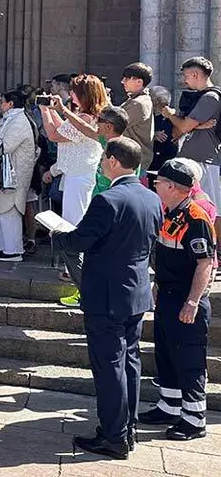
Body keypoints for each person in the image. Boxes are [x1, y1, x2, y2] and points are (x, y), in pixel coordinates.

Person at [53, 137, 162, 460]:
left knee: (110, 365)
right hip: (135, 291)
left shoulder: (107, 200)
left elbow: (81, 241)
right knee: (130, 362)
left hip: (107, 295)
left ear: (114, 161)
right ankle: (127, 429)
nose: (102, 164)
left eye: (104, 159)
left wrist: (59, 236)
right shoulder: (152, 198)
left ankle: (114, 436)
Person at [139, 159, 215, 441]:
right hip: (168, 295)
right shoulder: (170, 213)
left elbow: (205, 264)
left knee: (188, 360)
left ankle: (194, 419)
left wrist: (192, 302)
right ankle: (169, 406)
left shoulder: (196, 218)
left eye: (158, 182)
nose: (154, 185)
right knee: (167, 354)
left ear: (172, 187)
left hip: (186, 300)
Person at [41, 75, 107, 226]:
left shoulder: (87, 118)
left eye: (74, 91)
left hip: (80, 175)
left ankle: (77, 242)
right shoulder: (82, 114)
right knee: (71, 216)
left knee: (75, 219)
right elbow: (63, 129)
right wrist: (52, 110)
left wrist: (44, 110)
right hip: (75, 173)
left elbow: (54, 135)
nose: (71, 94)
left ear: (85, 95)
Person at [161, 57, 221, 212]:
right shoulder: (193, 98)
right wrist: (198, 126)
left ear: (195, 74)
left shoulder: (210, 97)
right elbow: (177, 131)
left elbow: (184, 126)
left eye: (186, 76)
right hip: (188, 159)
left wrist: (170, 115)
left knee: (209, 207)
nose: (184, 80)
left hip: (205, 160)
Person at [0, 90, 37, 262]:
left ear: (11, 104)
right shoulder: (9, 119)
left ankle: (14, 251)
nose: (0, 105)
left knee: (10, 211)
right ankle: (4, 248)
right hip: (3, 172)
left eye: (2, 102)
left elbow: (5, 147)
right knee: (0, 211)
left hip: (14, 175)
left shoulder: (19, 121)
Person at [120, 63, 155, 171]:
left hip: (131, 162)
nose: (122, 81)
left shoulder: (139, 103)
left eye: (126, 79)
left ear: (139, 82)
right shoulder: (137, 99)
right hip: (130, 159)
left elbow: (114, 122)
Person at [150, 85, 179, 173]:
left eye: (165, 105)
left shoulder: (172, 115)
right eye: (160, 105)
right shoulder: (147, 115)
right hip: (151, 158)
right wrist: (153, 134)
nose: (163, 108)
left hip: (168, 157)